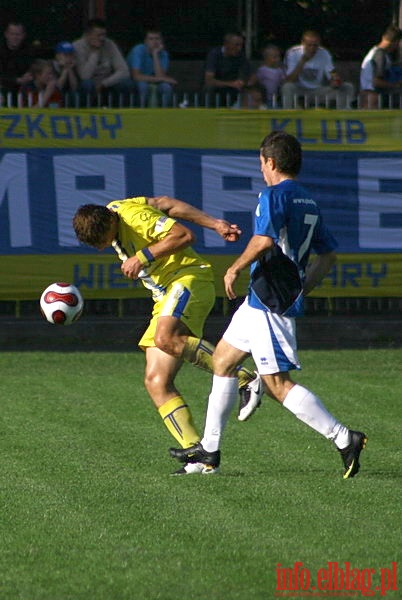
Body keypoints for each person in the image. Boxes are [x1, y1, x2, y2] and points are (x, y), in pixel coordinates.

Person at [170, 131, 367, 479]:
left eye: (262, 163)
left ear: (271, 163)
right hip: (264, 296)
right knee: (223, 361)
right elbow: (329, 254)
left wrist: (234, 267)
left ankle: (343, 437)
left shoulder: (273, 194)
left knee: (277, 384)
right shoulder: (307, 199)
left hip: (271, 298)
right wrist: (305, 285)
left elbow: (263, 240)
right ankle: (209, 452)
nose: (261, 170)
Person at [72, 196, 258, 474]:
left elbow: (183, 234)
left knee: (165, 339)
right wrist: (216, 223)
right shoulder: (115, 209)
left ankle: (246, 379)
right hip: (165, 295)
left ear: (110, 224)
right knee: (156, 381)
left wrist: (142, 256)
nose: (101, 247)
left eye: (102, 239)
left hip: (187, 279)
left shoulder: (134, 218)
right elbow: (166, 204)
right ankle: (201, 458)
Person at [282, 30, 354, 109]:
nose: (312, 48)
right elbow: (289, 80)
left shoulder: (324, 53)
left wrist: (335, 80)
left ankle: (343, 115)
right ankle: (288, 115)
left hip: (317, 91)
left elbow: (331, 72)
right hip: (299, 90)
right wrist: (302, 62)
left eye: (315, 45)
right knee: (287, 87)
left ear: (319, 44)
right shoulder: (293, 53)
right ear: (302, 43)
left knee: (347, 87)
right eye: (309, 45)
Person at [73, 18, 134, 104]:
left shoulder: (109, 44)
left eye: (104, 35)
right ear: (87, 35)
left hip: (106, 83)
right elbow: (85, 76)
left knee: (127, 84)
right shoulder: (77, 46)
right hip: (87, 86)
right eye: (98, 35)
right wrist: (95, 53)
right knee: (87, 84)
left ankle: (120, 115)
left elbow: (124, 71)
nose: (102, 38)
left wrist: (104, 84)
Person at [126, 29, 177, 107]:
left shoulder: (163, 54)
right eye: (151, 39)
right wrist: (162, 79)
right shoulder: (138, 50)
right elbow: (136, 76)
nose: (155, 42)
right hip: (132, 80)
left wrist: (155, 54)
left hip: (152, 80)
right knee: (143, 86)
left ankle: (164, 115)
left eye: (157, 39)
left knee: (166, 87)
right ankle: (140, 114)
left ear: (161, 41)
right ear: (145, 41)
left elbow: (160, 76)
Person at [204, 32, 256, 107]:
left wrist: (246, 83)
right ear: (226, 44)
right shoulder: (214, 54)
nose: (239, 48)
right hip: (217, 89)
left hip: (233, 89)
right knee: (210, 89)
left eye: (241, 45)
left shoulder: (240, 55)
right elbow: (209, 80)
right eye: (236, 45)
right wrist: (231, 84)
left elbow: (252, 74)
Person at [360, 24, 402, 109]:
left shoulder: (376, 51)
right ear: (396, 42)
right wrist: (396, 85)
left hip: (369, 95)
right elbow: (376, 82)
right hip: (372, 96)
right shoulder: (380, 55)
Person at [0, 21, 34, 100]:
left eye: (18, 34)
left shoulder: (29, 50)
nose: (15, 37)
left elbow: (35, 67)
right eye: (12, 34)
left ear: (23, 35)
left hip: (24, 90)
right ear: (6, 34)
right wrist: (16, 80)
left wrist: (30, 73)